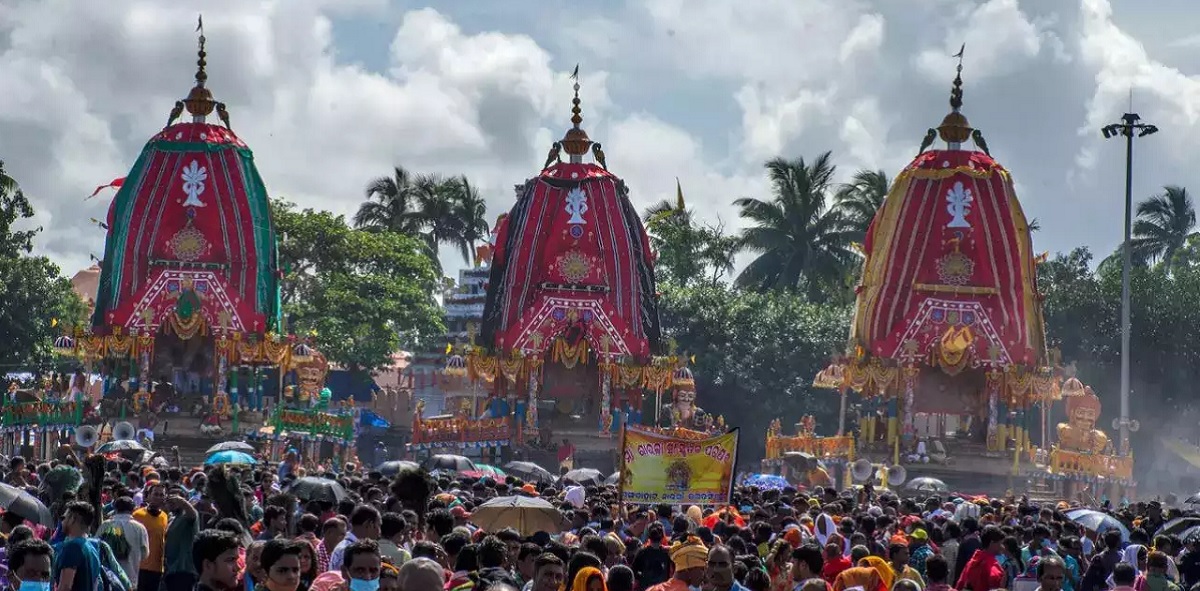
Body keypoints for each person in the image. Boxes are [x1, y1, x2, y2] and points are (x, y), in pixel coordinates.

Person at [96, 497, 149, 588]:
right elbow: (145, 554)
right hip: (130, 578)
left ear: (115, 508)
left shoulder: (105, 525)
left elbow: (96, 547)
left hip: (108, 578)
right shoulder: (140, 528)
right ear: (133, 509)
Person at [53, 502, 102, 591]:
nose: (62, 522)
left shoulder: (72, 547)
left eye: (63, 518)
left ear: (72, 519)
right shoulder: (91, 547)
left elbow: (65, 587)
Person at [161, 493, 200, 591]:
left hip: (184, 569)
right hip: (171, 569)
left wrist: (182, 502)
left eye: (175, 501)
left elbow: (193, 515)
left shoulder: (188, 517)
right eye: (169, 501)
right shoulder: (172, 518)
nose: (172, 503)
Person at [132, 484, 167, 591]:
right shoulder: (137, 515)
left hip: (157, 568)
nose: (159, 497)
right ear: (148, 496)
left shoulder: (165, 516)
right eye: (156, 494)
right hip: (139, 567)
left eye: (161, 495)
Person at [328, 507, 380, 572]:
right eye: (379, 525)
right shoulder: (347, 549)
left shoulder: (348, 545)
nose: (379, 532)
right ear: (369, 524)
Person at [955, 526, 1005, 591]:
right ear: (992, 543)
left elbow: (960, 585)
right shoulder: (989, 566)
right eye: (1000, 543)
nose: (1003, 547)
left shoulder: (971, 562)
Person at [632, 523, 671, 589]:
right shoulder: (667, 552)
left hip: (646, 587)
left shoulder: (642, 552)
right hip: (662, 588)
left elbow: (634, 570)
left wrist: (642, 577)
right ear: (662, 537)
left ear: (649, 537)